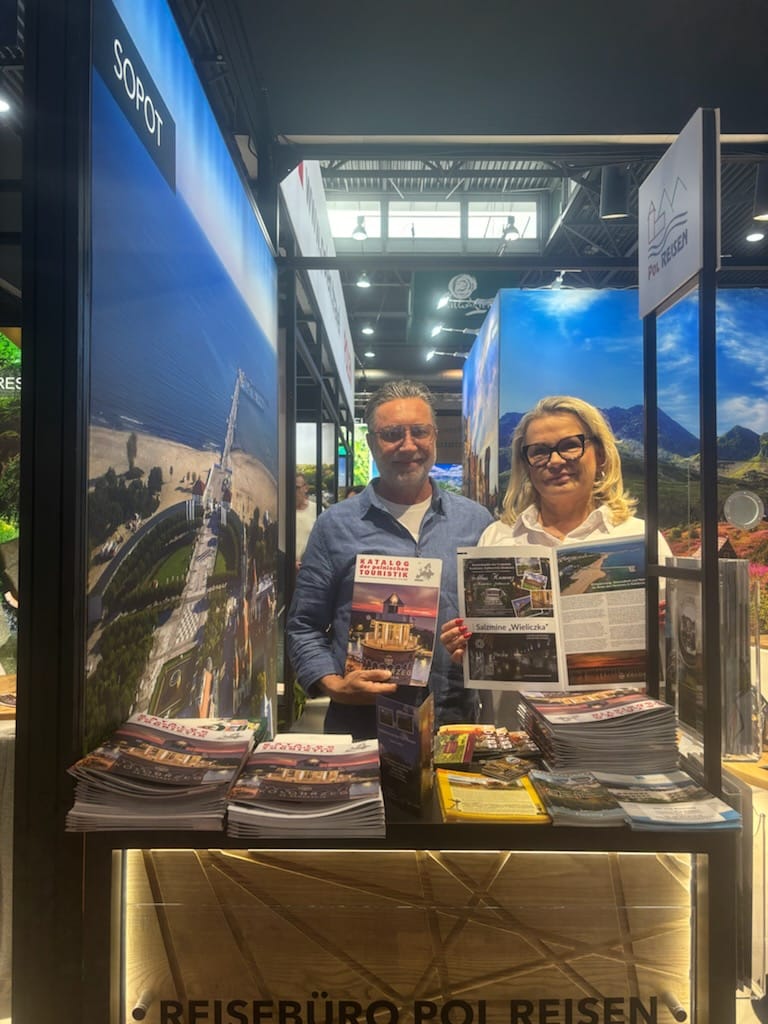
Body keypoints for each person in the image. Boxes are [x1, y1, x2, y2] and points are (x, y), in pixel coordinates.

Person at [287, 379, 494, 739]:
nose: (408, 445)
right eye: (392, 434)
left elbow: (493, 620)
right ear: (371, 443)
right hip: (362, 728)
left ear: (434, 437)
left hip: (455, 725)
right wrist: (334, 685)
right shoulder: (335, 525)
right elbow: (303, 625)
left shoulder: (476, 522)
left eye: (420, 432)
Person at [441, 394, 672, 662]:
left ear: (600, 454)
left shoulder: (640, 537)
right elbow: (481, 638)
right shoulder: (497, 537)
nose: (555, 461)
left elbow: (679, 644)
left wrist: (671, 625)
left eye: (570, 445)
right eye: (539, 451)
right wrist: (466, 647)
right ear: (526, 465)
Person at [294, 473, 317, 567]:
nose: (293, 491)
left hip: (311, 566)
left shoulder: (316, 509)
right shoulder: (283, 512)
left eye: (296, 488)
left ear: (306, 488)